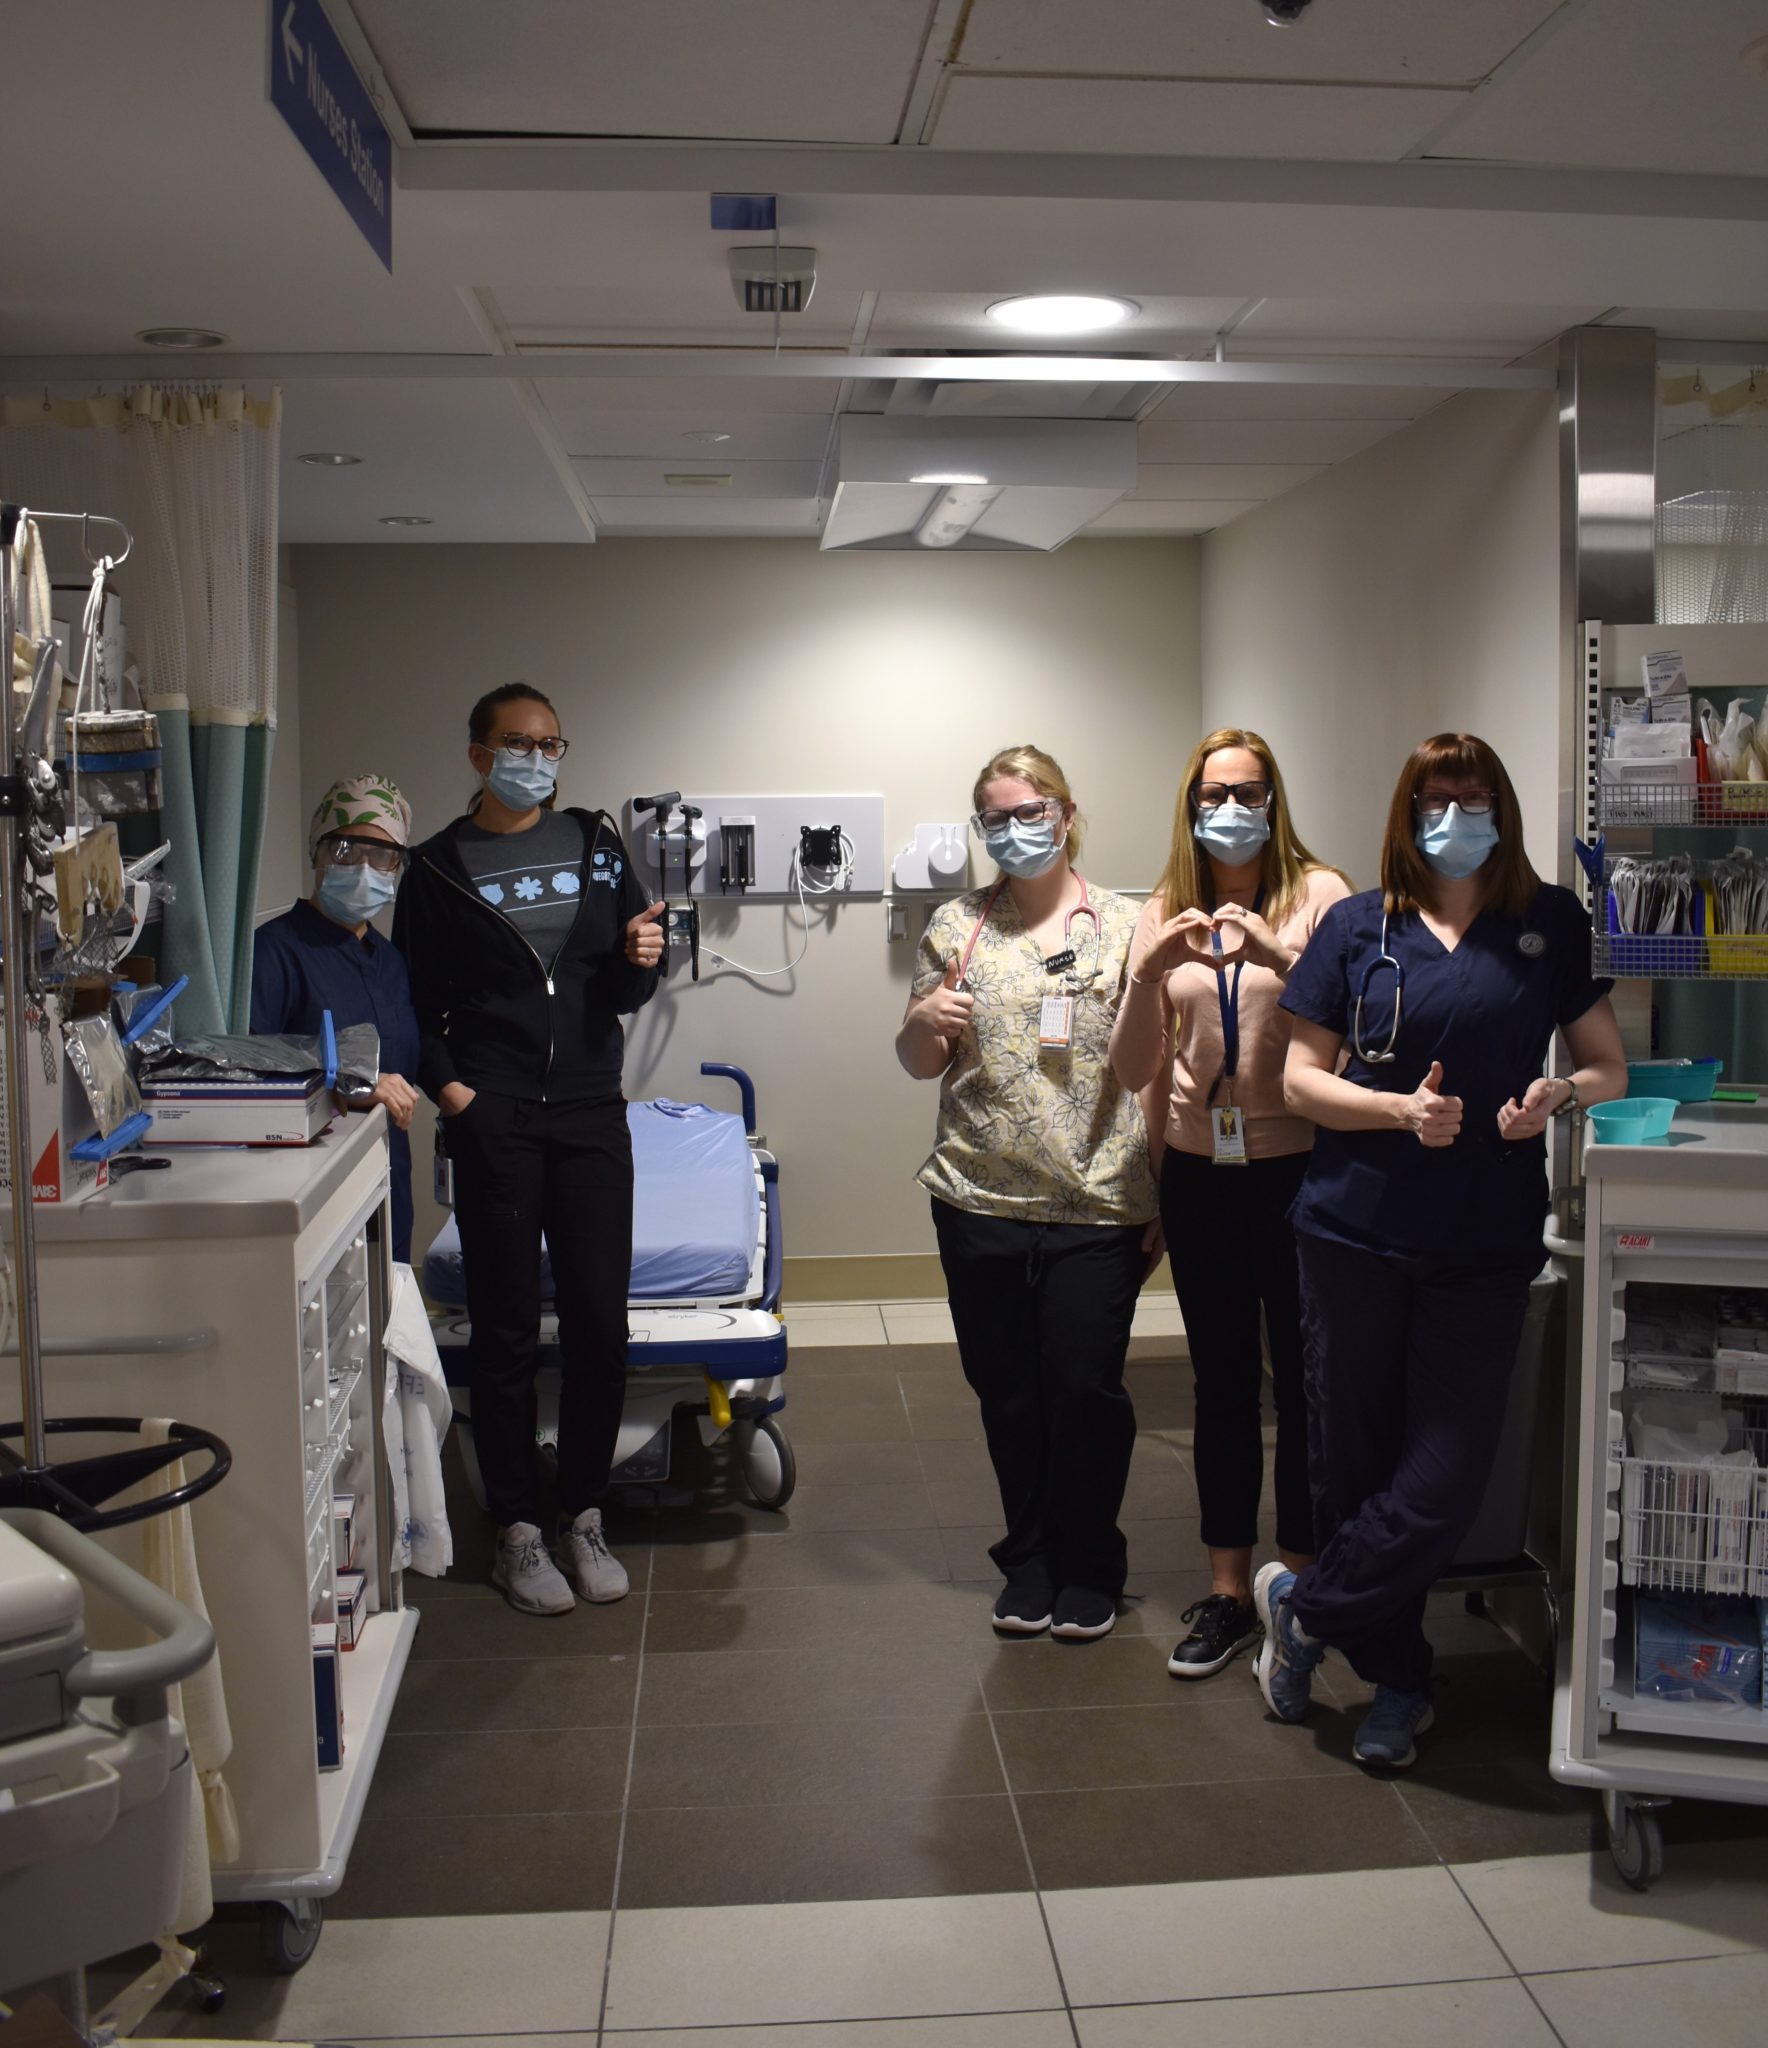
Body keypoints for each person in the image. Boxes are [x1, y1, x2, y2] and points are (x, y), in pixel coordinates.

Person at [1257, 732, 1625, 1766]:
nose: (1453, 819)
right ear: (1407, 813)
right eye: (1434, 801)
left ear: (1500, 810)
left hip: (1481, 1240)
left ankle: (1307, 1609)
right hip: (1352, 1233)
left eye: (1471, 799)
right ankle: (1399, 1681)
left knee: (1446, 1469)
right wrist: (1390, 1109)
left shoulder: (1546, 922)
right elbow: (1298, 1082)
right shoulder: (1351, 925)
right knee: (1352, 1462)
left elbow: (1607, 1064)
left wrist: (1557, 1092)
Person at [394, 683, 665, 1617]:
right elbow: (412, 1002)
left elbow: (629, 982)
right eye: (518, 743)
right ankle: (515, 1528)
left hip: (590, 1110)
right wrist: (456, 1091)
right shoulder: (434, 869)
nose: (538, 759)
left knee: (600, 1321)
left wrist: (643, 957)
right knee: (506, 1328)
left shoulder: (595, 843)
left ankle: (582, 1513)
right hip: (494, 1114)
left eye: (551, 744)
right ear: (478, 754)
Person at [897, 744, 1160, 1643]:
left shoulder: (1131, 926)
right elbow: (919, 1059)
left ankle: (1091, 1564)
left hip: (1098, 1200)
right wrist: (919, 1024)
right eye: (995, 818)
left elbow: (1157, 1072)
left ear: (1067, 811)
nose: (1014, 830)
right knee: (1008, 1393)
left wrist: (1161, 1188)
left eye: (1029, 810)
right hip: (978, 1197)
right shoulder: (957, 927)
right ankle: (1032, 1560)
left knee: (1085, 1390)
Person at [1110, 728, 1350, 1681]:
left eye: (1248, 793)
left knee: (1302, 1379)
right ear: (1191, 803)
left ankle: (1296, 1586)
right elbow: (1136, 1067)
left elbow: (1364, 1032)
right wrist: (1144, 972)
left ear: (1274, 799)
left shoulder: (1321, 897)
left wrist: (1280, 955)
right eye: (1214, 794)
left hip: (1299, 1171)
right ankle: (1224, 1591)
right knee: (1218, 1382)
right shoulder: (1164, 904)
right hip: (1204, 1177)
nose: (1231, 811)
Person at [252, 776, 421, 1261]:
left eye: (383, 855)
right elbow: (247, 1061)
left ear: (398, 868)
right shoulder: (275, 951)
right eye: (346, 849)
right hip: (312, 1182)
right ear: (317, 853)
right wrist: (351, 1082)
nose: (364, 867)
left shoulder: (389, 961)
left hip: (388, 1175)